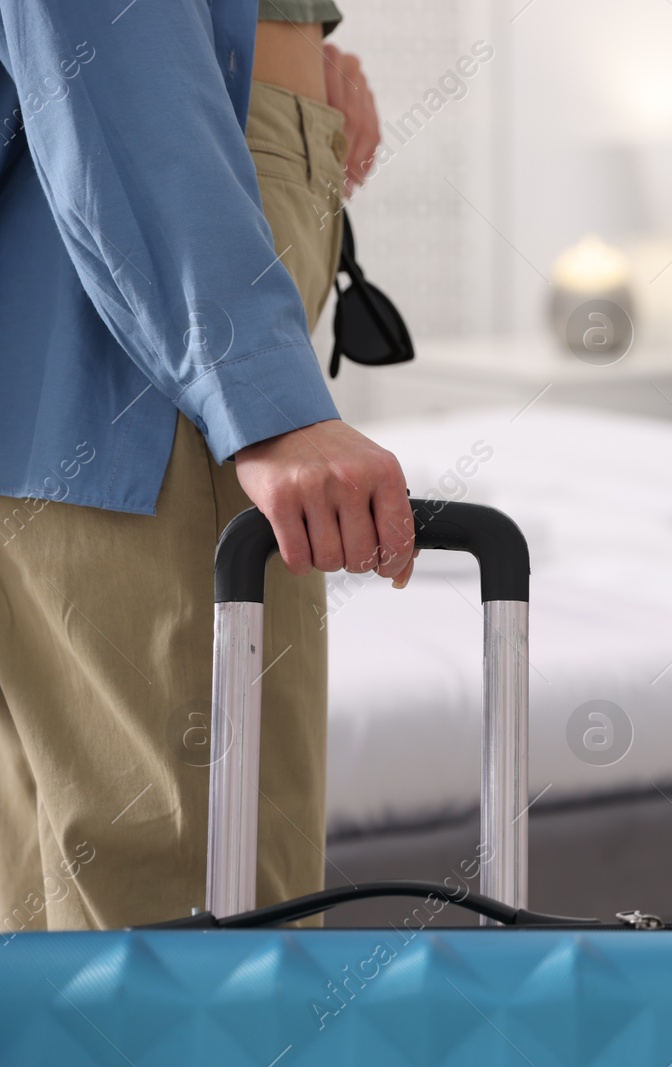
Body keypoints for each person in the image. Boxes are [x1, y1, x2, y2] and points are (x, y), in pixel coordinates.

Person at [0, 0, 411, 931]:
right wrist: (258, 394)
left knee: (57, 938)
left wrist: (287, 48)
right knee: (197, 928)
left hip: (83, 276)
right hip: (135, 328)